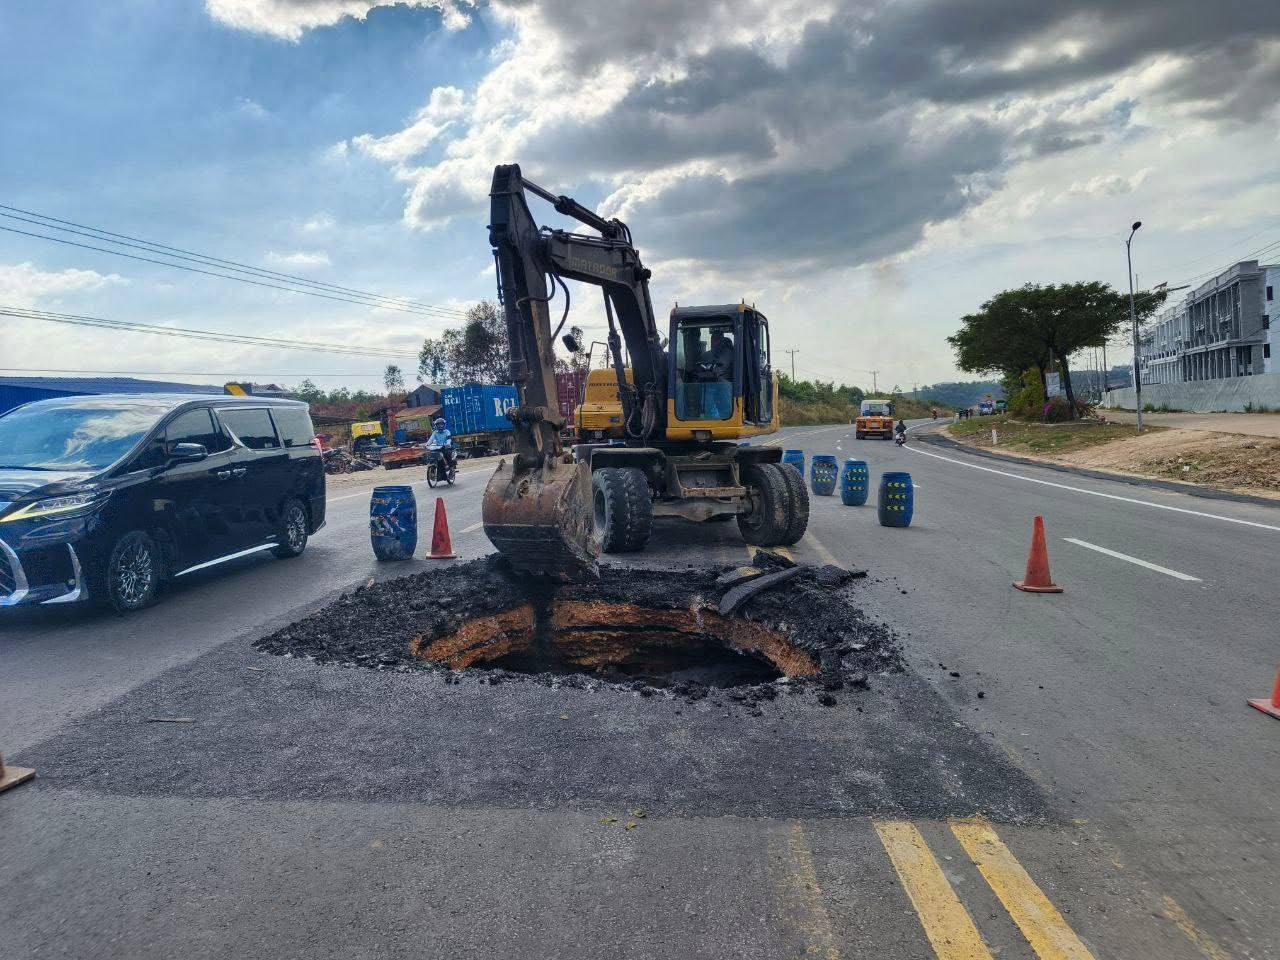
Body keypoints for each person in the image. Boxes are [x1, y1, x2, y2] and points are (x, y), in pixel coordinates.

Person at [702, 330, 734, 419]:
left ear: (722, 340)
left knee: (722, 385)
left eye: (717, 339)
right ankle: (707, 415)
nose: (714, 341)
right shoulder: (706, 355)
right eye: (713, 339)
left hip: (725, 383)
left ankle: (727, 415)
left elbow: (722, 368)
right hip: (708, 383)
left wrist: (714, 373)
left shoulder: (728, 353)